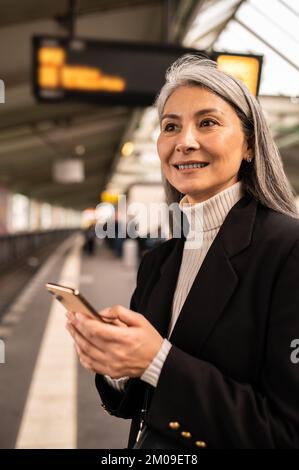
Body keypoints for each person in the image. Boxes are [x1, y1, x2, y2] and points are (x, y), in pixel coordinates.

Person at [66, 55, 299, 449]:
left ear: (250, 144)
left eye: (207, 122)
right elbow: (138, 406)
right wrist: (117, 365)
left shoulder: (288, 250)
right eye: (170, 126)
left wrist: (156, 360)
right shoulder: (161, 259)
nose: (183, 141)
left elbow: (286, 434)